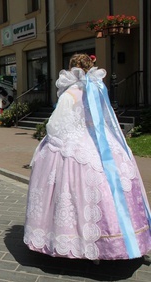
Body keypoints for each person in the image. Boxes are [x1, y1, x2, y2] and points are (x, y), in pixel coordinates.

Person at [24, 53, 151, 261]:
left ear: (71, 69)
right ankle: (122, 238)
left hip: (75, 144)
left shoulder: (71, 93)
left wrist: (51, 140)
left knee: (70, 191)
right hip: (103, 143)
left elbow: (55, 125)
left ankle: (81, 242)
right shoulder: (99, 90)